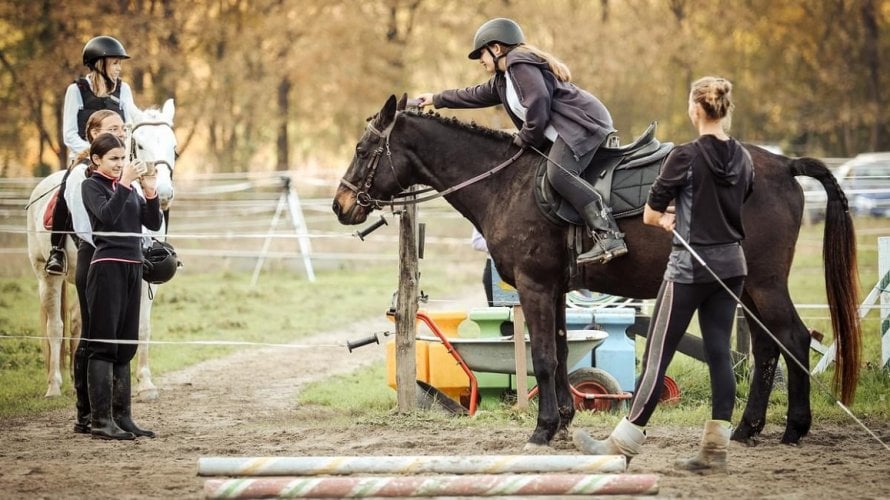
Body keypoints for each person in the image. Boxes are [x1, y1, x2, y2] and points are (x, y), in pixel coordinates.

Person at [573, 77, 754, 472]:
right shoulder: (743, 157)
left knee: (658, 355)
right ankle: (715, 449)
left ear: (695, 110)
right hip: (731, 267)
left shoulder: (685, 156)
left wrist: (671, 219)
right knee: (720, 353)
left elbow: (650, 214)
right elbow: (737, 201)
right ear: (726, 110)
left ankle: (621, 444)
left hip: (689, 269)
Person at [415, 17, 626, 265]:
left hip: (582, 125)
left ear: (496, 48)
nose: (480, 61)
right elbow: (473, 95)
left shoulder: (518, 63)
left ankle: (608, 234)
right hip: (566, 132)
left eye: (481, 54)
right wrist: (436, 99)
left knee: (559, 174)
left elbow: (538, 102)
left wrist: (526, 137)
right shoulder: (504, 80)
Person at [82, 132, 162, 440]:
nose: (120, 164)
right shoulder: (92, 186)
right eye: (113, 159)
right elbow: (107, 216)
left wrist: (150, 191)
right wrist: (126, 183)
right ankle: (101, 420)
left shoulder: (128, 189)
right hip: (106, 268)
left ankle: (123, 417)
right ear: (97, 160)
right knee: (103, 344)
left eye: (122, 158)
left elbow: (151, 223)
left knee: (126, 344)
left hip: (133, 268)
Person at [46, 35, 136, 275]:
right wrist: (93, 152)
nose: (119, 68)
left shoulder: (123, 89)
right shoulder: (76, 90)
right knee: (68, 184)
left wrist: (117, 152)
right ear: (99, 64)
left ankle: (152, 242)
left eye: (120, 63)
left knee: (142, 184)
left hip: (116, 154)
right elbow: (69, 134)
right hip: (85, 154)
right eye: (115, 62)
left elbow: (129, 123)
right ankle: (57, 250)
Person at [70, 110, 128, 435]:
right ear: (93, 134)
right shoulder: (85, 178)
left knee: (117, 338)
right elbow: (94, 222)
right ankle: (85, 413)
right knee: (93, 336)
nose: (119, 132)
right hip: (94, 253)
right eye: (111, 129)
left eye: (121, 128)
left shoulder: (121, 174)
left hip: (118, 257)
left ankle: (115, 414)